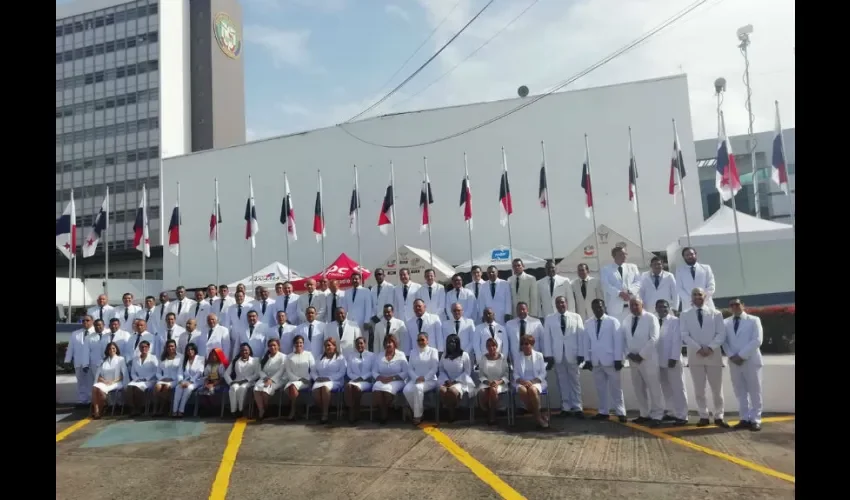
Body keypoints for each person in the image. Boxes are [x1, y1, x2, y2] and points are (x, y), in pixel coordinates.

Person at [681, 287, 728, 428]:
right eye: (694, 294)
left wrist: (710, 347)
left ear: (705, 296)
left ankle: (719, 416)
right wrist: (699, 348)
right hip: (695, 356)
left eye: (700, 294)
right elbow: (684, 334)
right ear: (691, 297)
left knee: (717, 389)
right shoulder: (685, 314)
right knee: (699, 389)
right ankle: (703, 416)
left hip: (713, 355)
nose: (697, 297)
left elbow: (721, 334)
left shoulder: (716, 314)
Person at [722, 299, 764, 431]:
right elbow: (724, 342)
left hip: (750, 360)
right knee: (740, 392)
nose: (735, 306)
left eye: (737, 304)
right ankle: (744, 418)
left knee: (755, 391)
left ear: (743, 305)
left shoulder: (754, 320)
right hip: (734, 362)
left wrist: (741, 355)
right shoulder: (725, 322)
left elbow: (757, 340)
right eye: (732, 305)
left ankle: (756, 419)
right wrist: (731, 356)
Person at [543, 295, 587, 418]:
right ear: (555, 305)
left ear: (566, 303)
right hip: (558, 355)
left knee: (575, 381)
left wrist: (581, 353)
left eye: (562, 302)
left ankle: (578, 407)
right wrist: (549, 355)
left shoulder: (576, 317)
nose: (560, 305)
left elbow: (581, 336)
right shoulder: (550, 319)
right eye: (558, 303)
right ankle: (566, 407)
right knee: (562, 381)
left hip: (572, 354)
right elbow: (547, 338)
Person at [621, 298, 663, 427]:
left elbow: (654, 338)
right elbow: (623, 339)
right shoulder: (627, 320)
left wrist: (641, 355)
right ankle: (644, 413)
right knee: (639, 388)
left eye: (636, 304)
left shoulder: (651, 318)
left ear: (642, 304)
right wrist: (628, 353)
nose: (633, 307)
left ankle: (657, 415)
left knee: (654, 388)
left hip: (648, 359)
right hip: (633, 361)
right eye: (631, 305)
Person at [585, 299, 626, 422]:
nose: (598, 309)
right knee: (600, 388)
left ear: (604, 307)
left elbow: (618, 342)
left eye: (600, 307)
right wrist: (587, 359)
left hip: (611, 360)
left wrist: (619, 359)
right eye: (595, 307)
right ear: (592, 309)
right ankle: (603, 411)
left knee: (616, 388)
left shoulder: (613, 321)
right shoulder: (588, 323)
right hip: (596, 360)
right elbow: (586, 342)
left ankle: (621, 412)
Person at [655, 300, 688, 425]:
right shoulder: (654, 320)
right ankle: (670, 412)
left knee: (678, 388)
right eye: (659, 307)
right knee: (666, 388)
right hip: (659, 360)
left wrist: (673, 358)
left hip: (672, 360)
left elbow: (677, 340)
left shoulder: (675, 321)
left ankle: (682, 415)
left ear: (669, 308)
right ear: (656, 308)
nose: (662, 309)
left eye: (664, 307)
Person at [371, 334, 408, 425]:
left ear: (394, 344)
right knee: (377, 388)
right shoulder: (380, 355)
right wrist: (380, 377)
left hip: (397, 380)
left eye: (390, 342)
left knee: (387, 391)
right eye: (386, 342)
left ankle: (384, 414)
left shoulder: (401, 355)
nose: (388, 344)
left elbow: (405, 372)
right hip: (382, 379)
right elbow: (374, 371)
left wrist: (392, 378)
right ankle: (384, 412)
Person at [513, 335, 549, 429]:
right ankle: (538, 416)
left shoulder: (539, 355)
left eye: (527, 344)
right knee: (522, 391)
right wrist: (523, 381)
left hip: (536, 381)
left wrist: (532, 381)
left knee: (532, 390)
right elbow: (515, 374)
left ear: (532, 344)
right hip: (522, 381)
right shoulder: (518, 356)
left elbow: (543, 372)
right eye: (522, 344)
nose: (524, 346)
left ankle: (537, 417)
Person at [438, 334, 474, 422]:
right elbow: (441, 370)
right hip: (446, 381)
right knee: (442, 390)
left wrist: (454, 381)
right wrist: (446, 380)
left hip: (460, 381)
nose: (451, 344)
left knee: (451, 391)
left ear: (457, 343)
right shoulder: (444, 355)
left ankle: (452, 413)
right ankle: (451, 410)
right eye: (449, 342)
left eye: (454, 342)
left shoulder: (464, 355)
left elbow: (467, 372)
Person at [312, 337, 347, 424]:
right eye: (325, 346)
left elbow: (342, 372)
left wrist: (329, 378)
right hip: (319, 380)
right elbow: (313, 371)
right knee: (315, 392)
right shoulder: (320, 357)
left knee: (324, 388)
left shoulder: (340, 358)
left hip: (335, 381)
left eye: (329, 345)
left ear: (334, 346)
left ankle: (325, 414)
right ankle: (326, 408)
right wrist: (316, 378)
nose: (327, 347)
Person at [600, 246, 641, 321]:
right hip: (615, 308)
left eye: (625, 254)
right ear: (614, 256)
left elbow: (638, 282)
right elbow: (606, 285)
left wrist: (630, 291)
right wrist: (619, 293)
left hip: (631, 305)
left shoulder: (632, 267)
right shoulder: (606, 269)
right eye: (621, 254)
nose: (624, 256)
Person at [477, 337, 510, 425]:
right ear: (486, 347)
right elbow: (481, 375)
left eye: (493, 345)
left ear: (496, 346)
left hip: (500, 383)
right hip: (487, 382)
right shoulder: (484, 358)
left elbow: (506, 375)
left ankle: (492, 415)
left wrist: (498, 382)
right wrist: (488, 382)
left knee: (493, 390)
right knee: (482, 392)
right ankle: (487, 410)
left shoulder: (502, 357)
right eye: (489, 346)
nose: (491, 348)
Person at [90, 342, 128, 419]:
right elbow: (98, 375)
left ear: (116, 349)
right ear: (107, 350)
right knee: (95, 387)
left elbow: (123, 374)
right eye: (110, 348)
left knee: (100, 390)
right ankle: (97, 410)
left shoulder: (121, 359)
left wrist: (113, 381)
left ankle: (103, 407)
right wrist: (104, 381)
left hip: (116, 382)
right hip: (105, 382)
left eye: (113, 348)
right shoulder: (103, 360)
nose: (112, 350)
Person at [282, 335, 315, 421]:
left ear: (303, 344)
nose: (299, 345)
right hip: (293, 380)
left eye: (301, 343)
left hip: (305, 381)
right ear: (294, 344)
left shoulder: (309, 354)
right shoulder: (289, 357)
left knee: (292, 387)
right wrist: (298, 379)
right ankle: (298, 410)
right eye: (297, 343)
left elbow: (313, 369)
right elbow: (288, 371)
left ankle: (293, 411)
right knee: (291, 386)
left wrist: (309, 379)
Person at [253, 338, 287, 421]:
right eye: (270, 345)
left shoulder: (283, 357)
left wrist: (271, 380)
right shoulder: (265, 356)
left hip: (278, 379)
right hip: (265, 378)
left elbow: (281, 370)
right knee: (256, 389)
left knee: (265, 391)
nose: (272, 347)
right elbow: (259, 370)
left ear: (278, 346)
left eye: (274, 345)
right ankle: (262, 410)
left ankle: (266, 409)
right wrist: (265, 378)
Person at [224, 343, 260, 418]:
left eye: (246, 350)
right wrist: (230, 382)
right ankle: (233, 411)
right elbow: (226, 374)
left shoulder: (255, 360)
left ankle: (241, 410)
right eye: (242, 350)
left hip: (249, 381)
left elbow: (257, 374)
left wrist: (247, 380)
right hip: (237, 381)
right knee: (233, 388)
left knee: (242, 388)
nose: (244, 352)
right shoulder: (235, 361)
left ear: (249, 351)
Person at [675, 247, 716, 311]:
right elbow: (679, 288)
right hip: (689, 305)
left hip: (706, 303)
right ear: (683, 257)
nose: (690, 256)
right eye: (687, 255)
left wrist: (702, 298)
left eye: (691, 254)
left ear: (695, 254)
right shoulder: (679, 270)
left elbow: (711, 286)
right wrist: (692, 300)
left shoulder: (706, 268)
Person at [344, 337, 375, 424]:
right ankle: (352, 410)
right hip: (354, 379)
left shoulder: (372, 355)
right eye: (357, 344)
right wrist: (356, 378)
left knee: (355, 388)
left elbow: (373, 371)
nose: (359, 345)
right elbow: (349, 371)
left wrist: (363, 378)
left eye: (361, 343)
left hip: (366, 381)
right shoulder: (351, 356)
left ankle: (354, 411)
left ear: (365, 344)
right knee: (349, 386)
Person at [66, 315, 94, 406]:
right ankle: (82, 400)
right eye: (83, 321)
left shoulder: (96, 332)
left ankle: (92, 400)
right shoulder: (75, 334)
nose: (85, 322)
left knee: (91, 381)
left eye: (87, 320)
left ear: (92, 321)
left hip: (91, 362)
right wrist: (67, 360)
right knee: (80, 381)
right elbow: (71, 348)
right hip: (78, 361)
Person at [125, 340, 159, 416]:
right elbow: (133, 372)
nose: (143, 348)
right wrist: (136, 379)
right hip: (138, 380)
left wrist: (146, 378)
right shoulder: (135, 359)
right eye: (142, 347)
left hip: (150, 380)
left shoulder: (153, 358)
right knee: (129, 387)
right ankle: (133, 408)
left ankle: (139, 408)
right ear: (139, 348)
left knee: (137, 388)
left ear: (149, 347)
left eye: (145, 347)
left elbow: (156, 371)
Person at [173, 343, 204, 418]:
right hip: (185, 380)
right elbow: (180, 372)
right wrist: (180, 381)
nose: (190, 351)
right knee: (178, 388)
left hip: (197, 380)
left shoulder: (201, 358)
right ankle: (174, 410)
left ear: (195, 350)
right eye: (188, 350)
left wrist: (190, 382)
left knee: (188, 388)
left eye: (192, 349)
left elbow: (200, 372)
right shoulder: (184, 359)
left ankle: (181, 410)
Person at [153, 339, 182, 416]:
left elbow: (180, 371)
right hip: (163, 378)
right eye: (168, 346)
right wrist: (162, 378)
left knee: (166, 387)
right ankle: (156, 408)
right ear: (166, 348)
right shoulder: (162, 357)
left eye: (172, 346)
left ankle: (162, 409)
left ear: (175, 347)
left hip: (174, 379)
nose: (170, 348)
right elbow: (158, 372)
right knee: (157, 387)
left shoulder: (180, 357)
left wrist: (176, 379)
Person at [196, 348, 228, 415]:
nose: (213, 357)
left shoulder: (221, 365)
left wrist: (213, 384)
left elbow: (222, 378)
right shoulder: (208, 365)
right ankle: (207, 408)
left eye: (215, 355)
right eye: (212, 355)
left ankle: (214, 408)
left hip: (218, 384)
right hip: (209, 382)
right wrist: (206, 383)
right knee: (201, 390)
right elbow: (206, 376)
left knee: (211, 390)